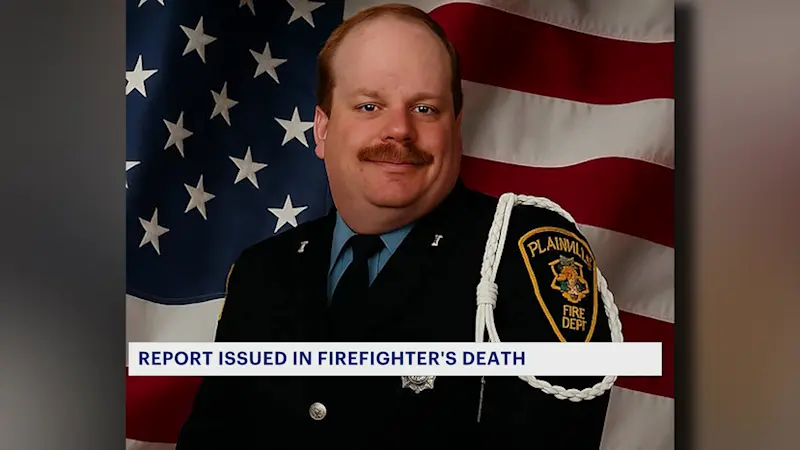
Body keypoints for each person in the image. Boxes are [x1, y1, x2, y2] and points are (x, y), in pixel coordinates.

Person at [176, 3, 613, 449]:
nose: (399, 130)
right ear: (322, 130)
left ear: (456, 127)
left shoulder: (521, 256)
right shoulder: (263, 272)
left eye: (425, 108)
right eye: (369, 106)